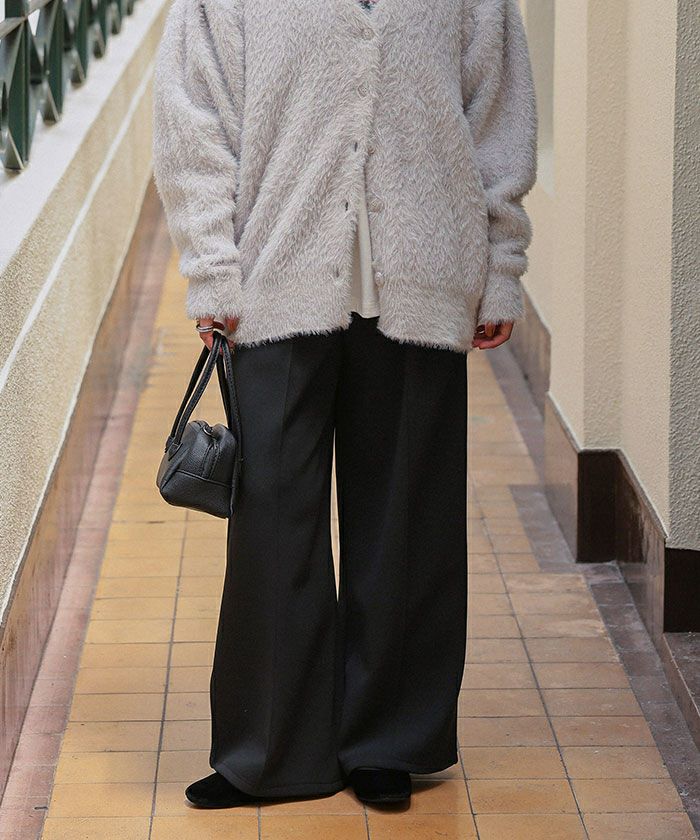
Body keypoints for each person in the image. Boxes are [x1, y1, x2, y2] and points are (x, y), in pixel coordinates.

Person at [151, 0, 537, 807]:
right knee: (273, 515)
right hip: (273, 282)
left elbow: (498, 115)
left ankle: (388, 740)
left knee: (407, 519)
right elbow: (193, 115)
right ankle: (269, 750)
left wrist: (501, 266)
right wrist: (211, 267)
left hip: (426, 280)